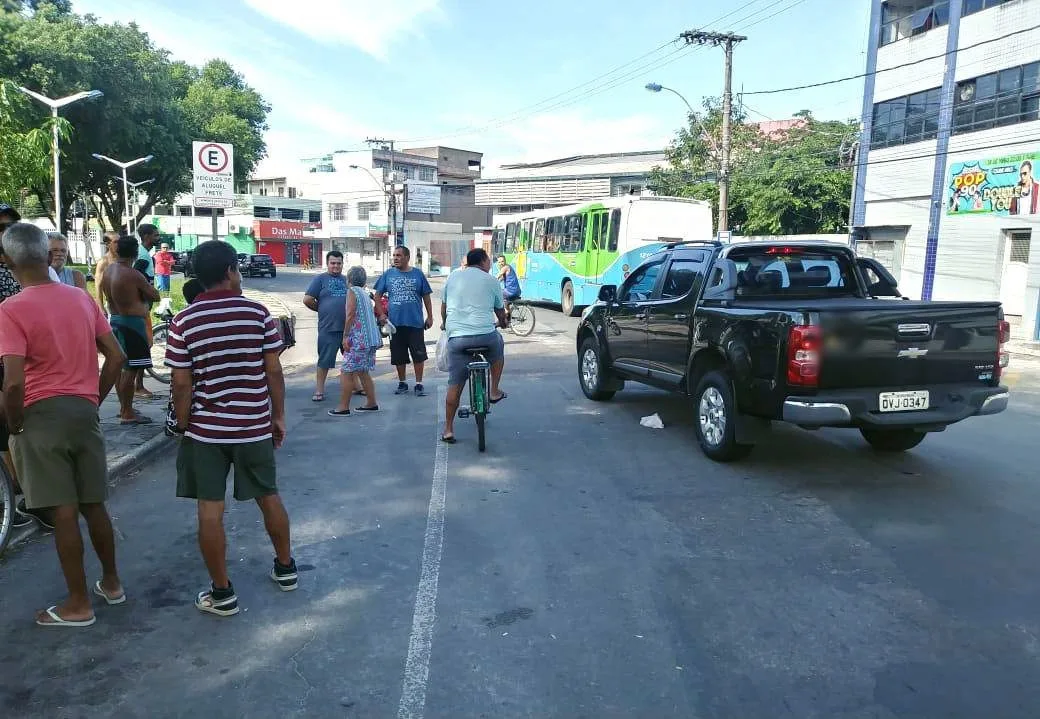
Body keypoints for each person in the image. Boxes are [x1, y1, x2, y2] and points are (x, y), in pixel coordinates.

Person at [0, 223, 126, 627]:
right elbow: (116, 357)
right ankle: (111, 583)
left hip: (40, 416)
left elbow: (14, 380)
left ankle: (77, 604)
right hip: (82, 411)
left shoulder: (11, 310)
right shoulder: (79, 298)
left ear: (7, 260)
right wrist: (94, 398)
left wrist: (15, 422)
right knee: (94, 504)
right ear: (45, 254)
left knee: (64, 510)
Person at [165, 240, 296, 617]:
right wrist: (278, 415)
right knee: (267, 495)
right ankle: (285, 568)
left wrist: (186, 422)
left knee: (210, 509)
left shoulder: (183, 321)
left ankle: (222, 594)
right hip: (253, 426)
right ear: (228, 272)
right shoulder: (257, 315)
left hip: (206, 432)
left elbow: (181, 383)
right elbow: (273, 370)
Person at [439, 248, 508, 444]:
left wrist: (446, 324)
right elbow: (500, 311)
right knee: (498, 344)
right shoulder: (491, 280)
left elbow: (444, 308)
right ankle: (494, 389)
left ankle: (448, 430)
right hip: (486, 337)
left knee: (455, 384)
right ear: (484, 262)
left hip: (458, 340)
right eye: (489, 261)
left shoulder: (453, 278)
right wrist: (502, 322)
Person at [101, 235, 160, 423]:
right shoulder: (132, 274)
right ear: (135, 253)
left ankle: (124, 408)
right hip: (132, 324)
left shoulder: (109, 271)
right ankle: (127, 412)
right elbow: (155, 295)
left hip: (115, 320)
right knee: (130, 370)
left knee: (120, 367)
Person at [373, 245, 434, 396]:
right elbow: (377, 296)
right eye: (394, 255)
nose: (395, 258)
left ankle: (419, 384)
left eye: (399, 255)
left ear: (407, 257)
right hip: (395, 324)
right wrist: (381, 315)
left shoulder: (418, 274)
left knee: (418, 354)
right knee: (398, 355)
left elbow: (426, 296)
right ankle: (402, 382)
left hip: (415, 322)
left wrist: (430, 316)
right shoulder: (388, 274)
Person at [329, 266, 381, 416]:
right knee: (362, 371)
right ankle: (371, 402)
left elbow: (350, 314)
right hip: (370, 339)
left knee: (346, 371)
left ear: (349, 279)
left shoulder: (352, 292)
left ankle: (343, 407)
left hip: (359, 340)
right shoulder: (364, 293)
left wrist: (345, 336)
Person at [303, 251, 347, 402]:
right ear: (327, 264)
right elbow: (307, 299)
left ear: (342, 264)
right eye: (333, 263)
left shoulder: (347, 280)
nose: (336, 266)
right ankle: (319, 390)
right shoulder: (320, 279)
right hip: (328, 327)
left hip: (347, 329)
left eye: (339, 263)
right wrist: (321, 308)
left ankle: (356, 386)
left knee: (352, 360)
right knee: (324, 360)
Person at [94, 231, 120, 312]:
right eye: (115, 242)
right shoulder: (103, 262)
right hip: (113, 307)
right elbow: (98, 286)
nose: (119, 244)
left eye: (120, 241)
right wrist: (101, 308)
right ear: (107, 244)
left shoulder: (126, 258)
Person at [496, 254, 521, 321]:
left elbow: (497, 277)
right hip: (517, 291)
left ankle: (506, 313)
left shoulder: (505, 267)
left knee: (498, 294)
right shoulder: (508, 268)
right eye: (499, 262)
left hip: (511, 291)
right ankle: (508, 319)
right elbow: (501, 279)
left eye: (502, 261)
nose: (501, 263)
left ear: (505, 261)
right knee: (506, 301)